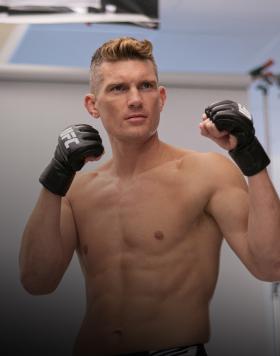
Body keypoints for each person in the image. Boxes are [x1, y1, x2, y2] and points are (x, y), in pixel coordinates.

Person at [19, 37, 280, 356]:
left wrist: (251, 158)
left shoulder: (206, 172)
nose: (135, 100)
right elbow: (36, 281)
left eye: (145, 86)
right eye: (118, 88)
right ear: (92, 105)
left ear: (161, 97)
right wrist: (55, 177)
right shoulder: (77, 191)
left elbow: (271, 265)